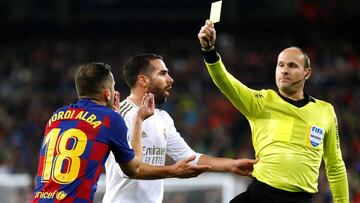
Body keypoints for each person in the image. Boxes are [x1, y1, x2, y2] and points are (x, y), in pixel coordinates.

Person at [197, 20, 349, 203]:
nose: (284, 70)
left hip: (300, 199)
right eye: (280, 65)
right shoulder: (261, 102)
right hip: (261, 195)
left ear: (307, 73)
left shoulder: (325, 111)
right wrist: (209, 51)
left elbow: (335, 166)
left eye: (292, 66)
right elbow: (226, 83)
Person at [103, 54, 258, 203]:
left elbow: (189, 157)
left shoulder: (163, 118)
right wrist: (172, 171)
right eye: (163, 74)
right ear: (143, 80)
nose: (171, 79)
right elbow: (128, 170)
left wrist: (232, 165)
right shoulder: (119, 115)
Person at [32, 62, 154, 203]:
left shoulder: (57, 116)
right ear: (108, 93)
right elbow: (133, 169)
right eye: (113, 87)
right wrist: (138, 119)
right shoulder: (110, 119)